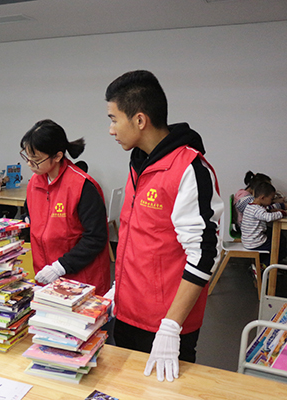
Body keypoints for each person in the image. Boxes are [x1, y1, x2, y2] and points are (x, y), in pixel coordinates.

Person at [105, 70, 223, 382]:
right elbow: (139, 238)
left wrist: (171, 326)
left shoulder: (189, 168)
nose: (111, 130)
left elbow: (204, 254)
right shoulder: (139, 162)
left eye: (114, 119)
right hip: (126, 313)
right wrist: (117, 289)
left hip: (165, 325)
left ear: (139, 120)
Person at [20, 119, 110, 296]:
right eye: (27, 157)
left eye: (36, 160)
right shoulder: (34, 183)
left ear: (57, 156)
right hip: (46, 277)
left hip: (80, 281)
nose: (30, 164)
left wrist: (60, 267)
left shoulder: (82, 186)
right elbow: (29, 217)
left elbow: (96, 237)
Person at [241, 181, 287, 265]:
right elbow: (268, 217)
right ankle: (264, 265)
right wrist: (282, 213)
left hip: (248, 241)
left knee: (273, 235)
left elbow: (262, 213)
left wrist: (270, 210)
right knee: (281, 248)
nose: (272, 201)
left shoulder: (250, 206)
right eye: (271, 199)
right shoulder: (257, 210)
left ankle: (261, 263)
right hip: (256, 243)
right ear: (262, 198)